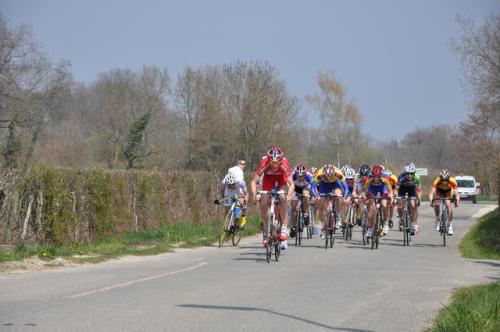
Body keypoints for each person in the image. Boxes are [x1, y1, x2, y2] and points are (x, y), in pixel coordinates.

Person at [250, 146, 295, 250]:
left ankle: (283, 228)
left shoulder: (284, 164)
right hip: (268, 179)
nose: (274, 165)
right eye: (272, 163)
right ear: (268, 160)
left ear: (280, 160)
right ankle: (266, 226)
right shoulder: (264, 163)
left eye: (276, 163)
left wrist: (288, 196)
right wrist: (253, 195)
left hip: (281, 179)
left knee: (283, 197)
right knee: (264, 200)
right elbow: (253, 181)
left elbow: (291, 183)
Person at [313, 164, 348, 235]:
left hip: (335, 183)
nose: (329, 179)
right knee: (321, 203)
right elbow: (312, 187)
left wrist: (343, 197)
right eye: (326, 177)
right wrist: (316, 196)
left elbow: (346, 188)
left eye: (330, 176)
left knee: (338, 196)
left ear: (333, 173)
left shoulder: (338, 173)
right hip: (324, 184)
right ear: (324, 174)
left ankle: (338, 218)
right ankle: (324, 222)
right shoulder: (319, 174)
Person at [363, 164, 393, 237]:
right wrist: (364, 197)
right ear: (372, 175)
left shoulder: (385, 178)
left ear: (381, 175)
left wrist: (391, 197)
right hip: (372, 190)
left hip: (383, 189)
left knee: (384, 204)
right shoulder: (369, 178)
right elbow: (363, 190)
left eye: (378, 177)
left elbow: (390, 190)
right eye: (374, 176)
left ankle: (385, 223)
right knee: (370, 208)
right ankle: (370, 228)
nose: (376, 178)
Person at [429, 169, 460, 235]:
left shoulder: (452, 180)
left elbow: (457, 193)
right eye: (442, 180)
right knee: (437, 203)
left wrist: (457, 201)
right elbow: (432, 193)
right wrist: (431, 201)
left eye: (446, 180)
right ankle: (437, 220)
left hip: (448, 191)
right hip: (439, 191)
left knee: (448, 204)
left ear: (448, 178)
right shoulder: (437, 180)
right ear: (440, 178)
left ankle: (450, 225)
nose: (444, 182)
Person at [395, 162, 422, 235]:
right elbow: (396, 188)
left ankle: (413, 224)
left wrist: (419, 198)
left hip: (412, 190)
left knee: (413, 205)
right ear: (405, 173)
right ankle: (401, 219)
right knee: (400, 205)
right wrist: (394, 195)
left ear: (414, 173)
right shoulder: (401, 177)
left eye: (411, 174)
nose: (409, 176)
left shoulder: (417, 177)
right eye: (408, 174)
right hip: (402, 189)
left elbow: (419, 190)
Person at [290, 163, 316, 237]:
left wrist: (314, 195)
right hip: (296, 189)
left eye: (302, 176)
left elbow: (313, 187)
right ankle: (293, 226)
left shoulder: (309, 177)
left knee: (305, 194)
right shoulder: (292, 176)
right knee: (294, 206)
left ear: (305, 174)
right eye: (298, 176)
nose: (300, 178)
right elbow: (290, 187)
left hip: (306, 188)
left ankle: (305, 214)